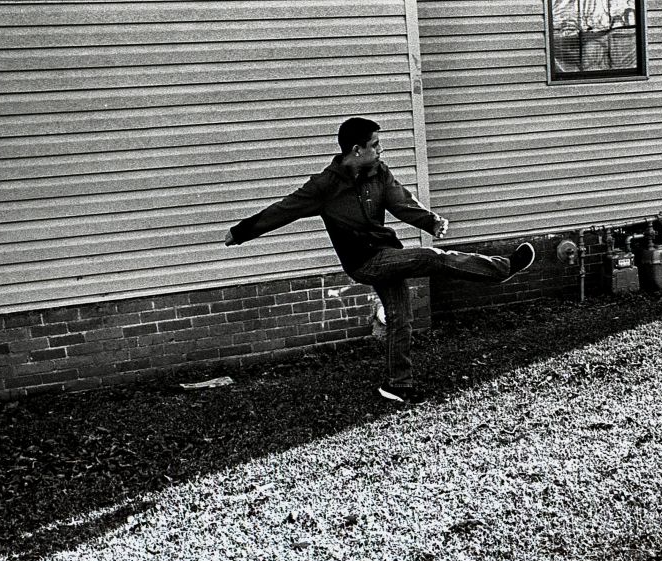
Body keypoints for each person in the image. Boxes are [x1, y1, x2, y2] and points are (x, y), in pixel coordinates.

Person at [226, 116, 535, 404]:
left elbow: (402, 202)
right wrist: (240, 232)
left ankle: (397, 385)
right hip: (364, 261)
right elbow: (282, 210)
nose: (380, 149)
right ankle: (501, 269)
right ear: (356, 150)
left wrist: (431, 221)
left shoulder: (380, 172)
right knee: (430, 257)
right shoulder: (325, 186)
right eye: (375, 145)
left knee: (402, 318)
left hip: (387, 254)